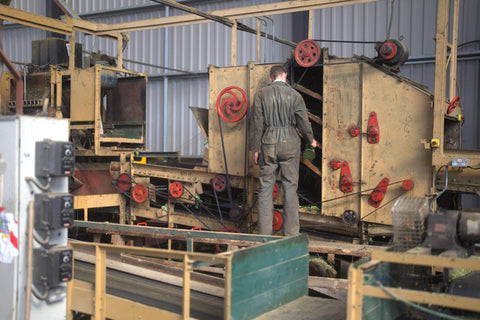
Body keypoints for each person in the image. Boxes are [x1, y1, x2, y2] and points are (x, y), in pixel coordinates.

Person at [249, 65, 317, 236]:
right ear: (285, 76)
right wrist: (311, 140)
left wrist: (254, 149)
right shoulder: (295, 95)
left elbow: (257, 124)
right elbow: (303, 122)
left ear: (271, 78)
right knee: (290, 188)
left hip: (269, 142)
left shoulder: (261, 94)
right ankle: (291, 235)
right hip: (290, 143)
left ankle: (264, 236)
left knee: (265, 189)